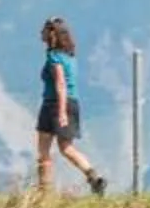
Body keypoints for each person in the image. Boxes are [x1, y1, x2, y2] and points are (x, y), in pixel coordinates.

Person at [34, 17, 107, 195]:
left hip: (54, 104)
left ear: (51, 34)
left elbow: (60, 84)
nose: (40, 33)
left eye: (43, 30)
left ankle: (44, 191)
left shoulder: (54, 57)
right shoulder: (69, 57)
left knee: (43, 150)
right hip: (72, 103)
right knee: (66, 148)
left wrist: (61, 112)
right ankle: (93, 177)